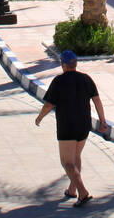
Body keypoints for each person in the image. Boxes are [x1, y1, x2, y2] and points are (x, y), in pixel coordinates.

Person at [35, 50, 108, 206]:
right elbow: (97, 101)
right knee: (76, 157)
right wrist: (102, 121)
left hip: (67, 125)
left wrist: (40, 117)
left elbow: (49, 104)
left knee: (67, 162)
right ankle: (72, 190)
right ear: (75, 64)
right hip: (84, 124)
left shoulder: (59, 81)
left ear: (63, 65)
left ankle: (83, 192)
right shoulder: (86, 79)